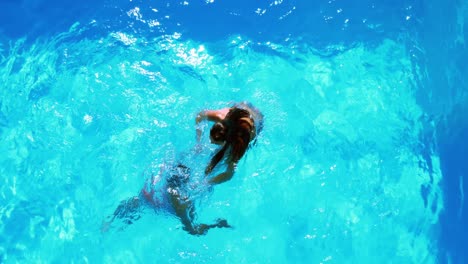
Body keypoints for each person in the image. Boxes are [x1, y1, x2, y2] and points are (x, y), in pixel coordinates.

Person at [195, 102, 263, 185]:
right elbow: (199, 116)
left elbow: (228, 174)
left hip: (258, 121)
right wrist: (198, 143)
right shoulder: (220, 116)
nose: (210, 142)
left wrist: (207, 183)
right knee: (216, 159)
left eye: (215, 142)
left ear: (227, 140)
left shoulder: (240, 142)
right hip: (242, 106)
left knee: (226, 159)